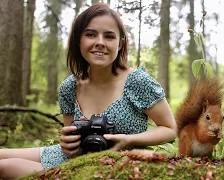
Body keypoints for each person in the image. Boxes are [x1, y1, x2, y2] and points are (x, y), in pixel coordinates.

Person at [0, 3, 177, 179]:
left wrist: (130, 140)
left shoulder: (137, 82)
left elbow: (170, 128)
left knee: (4, 167)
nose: (99, 42)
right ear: (79, 40)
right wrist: (68, 143)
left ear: (120, 43)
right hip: (72, 159)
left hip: (110, 167)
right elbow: (70, 134)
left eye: (109, 36)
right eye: (91, 34)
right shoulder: (69, 87)